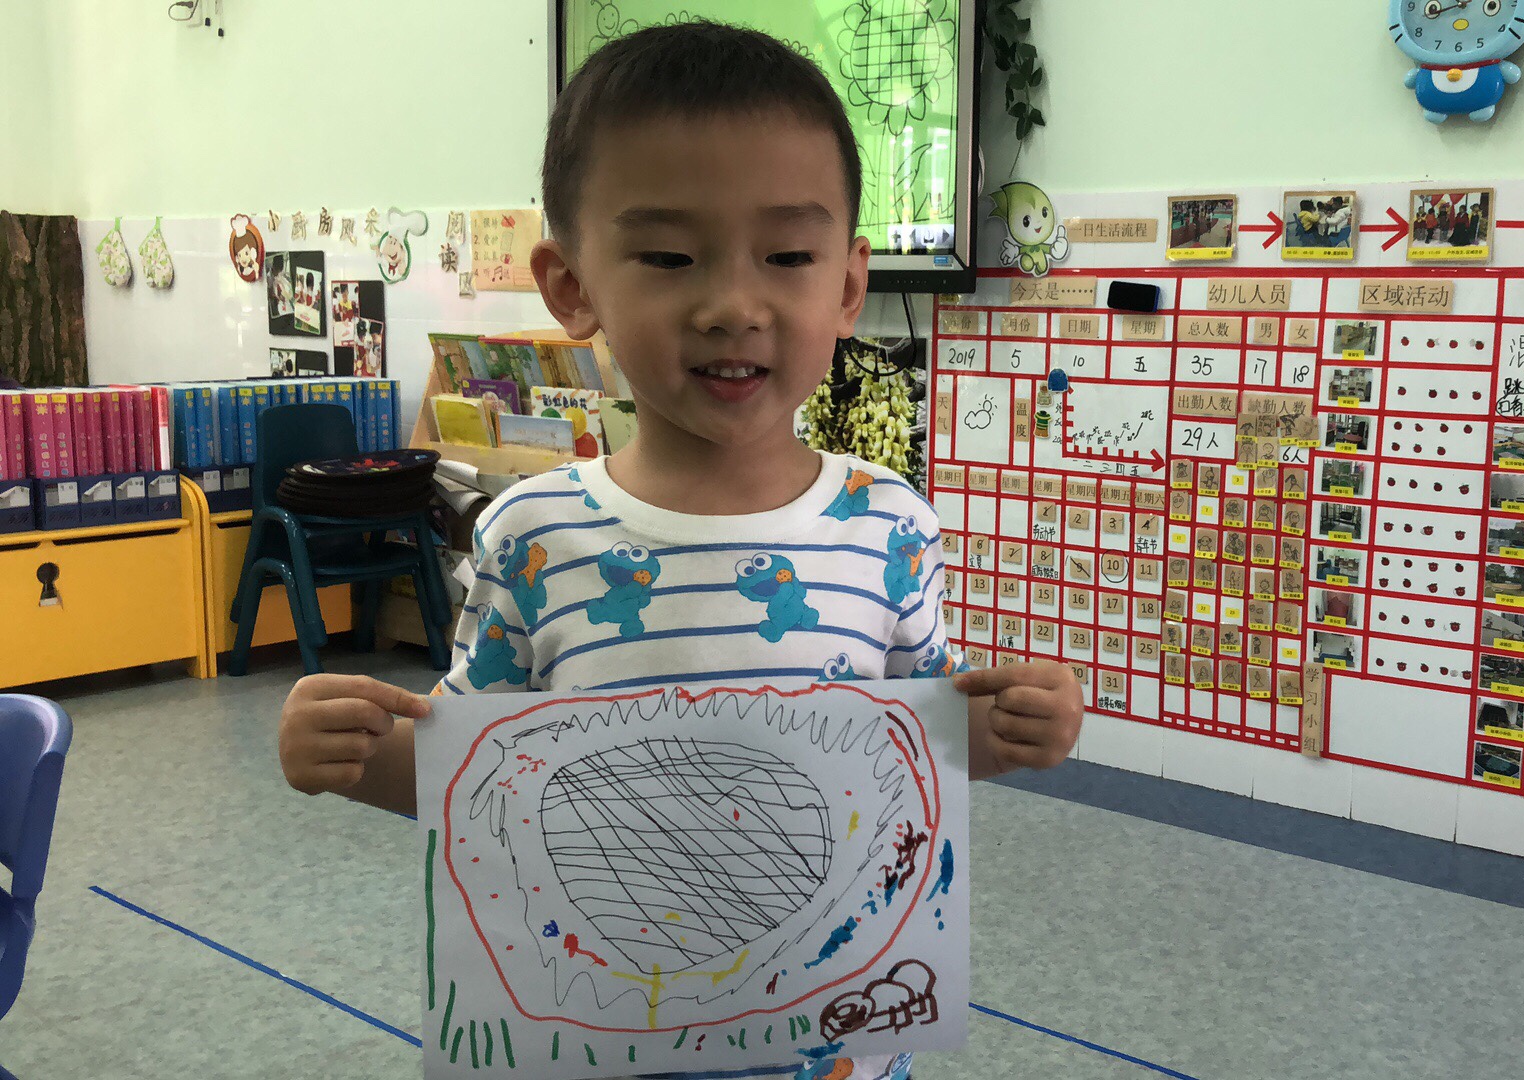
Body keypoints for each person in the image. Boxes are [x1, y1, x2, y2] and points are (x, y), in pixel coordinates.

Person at [276, 22, 1083, 1080]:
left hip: (835, 1049)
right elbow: (477, 779)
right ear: (572, 286)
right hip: (603, 1037)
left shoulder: (888, 527)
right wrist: (351, 756)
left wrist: (1018, 728)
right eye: (667, 257)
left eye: (787, 257)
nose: (732, 306)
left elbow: (918, 753)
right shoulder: (536, 538)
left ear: (848, 285)